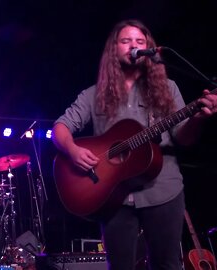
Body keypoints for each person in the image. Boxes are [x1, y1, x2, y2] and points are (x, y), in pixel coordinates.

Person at [51, 19, 217, 270]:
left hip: (163, 192)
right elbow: (59, 128)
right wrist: (73, 150)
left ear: (149, 49)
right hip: (113, 197)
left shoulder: (168, 89)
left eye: (140, 41)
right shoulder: (93, 94)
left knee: (168, 265)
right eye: (126, 41)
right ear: (113, 48)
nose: (134, 45)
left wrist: (198, 119)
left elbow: (183, 137)